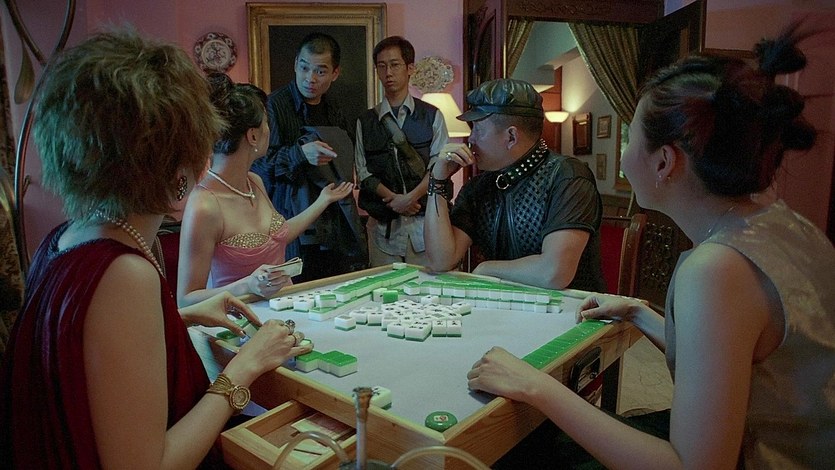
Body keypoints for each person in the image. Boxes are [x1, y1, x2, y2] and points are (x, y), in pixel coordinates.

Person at [467, 26, 835, 469]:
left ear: (664, 162)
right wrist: (640, 312)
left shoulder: (716, 268)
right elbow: (741, 362)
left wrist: (536, 385)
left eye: (629, 139)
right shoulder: (784, 221)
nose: (623, 156)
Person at [0, 29, 313, 468]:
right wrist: (245, 366)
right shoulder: (124, 272)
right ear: (179, 165)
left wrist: (179, 317)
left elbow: (83, 348)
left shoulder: (65, 236)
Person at [177, 73, 354, 307]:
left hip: (284, 310)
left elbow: (277, 236)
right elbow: (186, 300)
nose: (269, 130)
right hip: (240, 321)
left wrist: (323, 200)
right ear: (253, 136)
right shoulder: (204, 204)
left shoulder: (254, 182)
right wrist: (247, 286)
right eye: (266, 123)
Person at [425, 78, 605, 291]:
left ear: (511, 136)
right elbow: (441, 261)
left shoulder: (568, 177)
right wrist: (438, 181)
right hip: (502, 303)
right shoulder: (479, 187)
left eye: (478, 129)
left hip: (571, 307)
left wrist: (485, 269)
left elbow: (554, 273)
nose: (470, 139)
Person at [251, 32, 367, 283]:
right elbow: (258, 166)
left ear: (335, 73)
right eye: (304, 68)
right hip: (289, 223)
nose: (310, 78)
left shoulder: (335, 109)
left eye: (320, 71)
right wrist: (300, 154)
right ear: (295, 64)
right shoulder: (274, 106)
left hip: (331, 224)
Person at [355, 36, 449, 266]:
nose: (388, 73)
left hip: (425, 227)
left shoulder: (432, 115)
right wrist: (395, 200)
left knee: (427, 286)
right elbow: (363, 171)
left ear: (410, 69)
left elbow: (439, 166)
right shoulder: (365, 121)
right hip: (383, 228)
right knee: (382, 287)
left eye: (395, 65)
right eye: (382, 66)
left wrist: (409, 198)